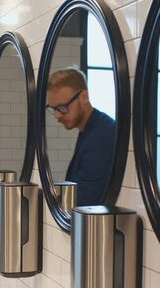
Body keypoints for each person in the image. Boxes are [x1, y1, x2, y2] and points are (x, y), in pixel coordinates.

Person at [46, 68, 116, 206]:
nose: (57, 115)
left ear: (84, 97)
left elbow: (86, 201)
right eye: (53, 109)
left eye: (62, 107)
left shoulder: (102, 137)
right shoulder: (91, 128)